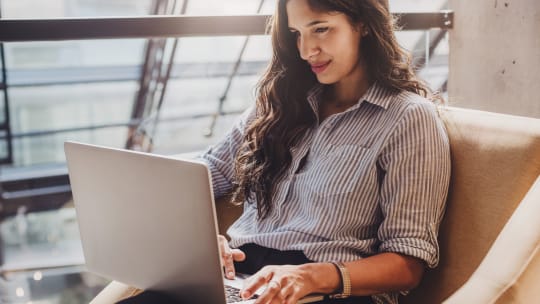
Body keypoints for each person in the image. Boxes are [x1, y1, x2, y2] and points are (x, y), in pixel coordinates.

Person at [119, 0, 450, 303]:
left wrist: (312, 277)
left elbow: (408, 263)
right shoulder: (277, 106)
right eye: (296, 34)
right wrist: (202, 241)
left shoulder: (408, 118)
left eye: (321, 28)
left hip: (326, 290)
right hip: (240, 279)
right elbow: (206, 173)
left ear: (363, 23)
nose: (307, 50)